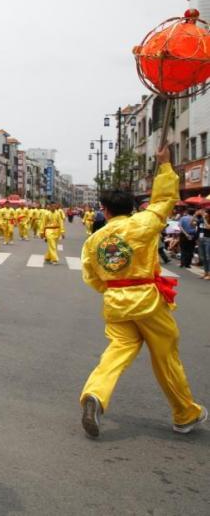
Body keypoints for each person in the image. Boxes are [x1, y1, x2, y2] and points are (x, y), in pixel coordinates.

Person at [79, 146, 206, 438]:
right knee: (165, 356)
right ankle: (185, 412)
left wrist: (112, 284)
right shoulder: (143, 223)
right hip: (147, 300)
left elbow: (92, 277)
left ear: (105, 210)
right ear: (132, 207)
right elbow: (164, 200)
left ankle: (96, 394)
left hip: (115, 302)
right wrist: (164, 166)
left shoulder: (94, 240)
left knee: (118, 350)